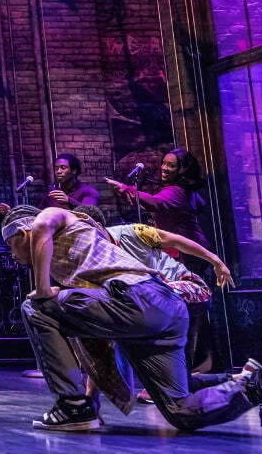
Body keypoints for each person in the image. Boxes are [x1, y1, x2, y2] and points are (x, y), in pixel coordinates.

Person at [1, 205, 262, 439]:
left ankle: (71, 407)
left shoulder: (50, 218)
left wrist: (42, 289)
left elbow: (42, 223)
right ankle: (255, 383)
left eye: (10, 246)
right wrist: (92, 396)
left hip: (139, 297)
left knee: (35, 307)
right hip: (163, 312)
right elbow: (95, 342)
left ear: (21, 233)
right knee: (180, 411)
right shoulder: (74, 263)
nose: (12, 255)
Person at [106, 148, 215, 371]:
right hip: (189, 252)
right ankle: (197, 364)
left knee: (187, 309)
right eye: (164, 163)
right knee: (192, 311)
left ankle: (192, 366)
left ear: (182, 170)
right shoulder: (182, 191)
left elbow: (156, 203)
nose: (164, 168)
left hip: (189, 254)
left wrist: (126, 189)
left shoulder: (177, 191)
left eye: (171, 165)